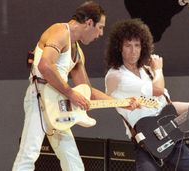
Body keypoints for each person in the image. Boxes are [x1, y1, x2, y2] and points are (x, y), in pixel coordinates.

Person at [12, 1, 138, 171]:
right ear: (89, 23)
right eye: (100, 27)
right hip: (40, 97)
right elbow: (45, 66)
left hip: (58, 105)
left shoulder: (78, 52)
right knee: (29, 154)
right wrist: (71, 93)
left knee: (73, 163)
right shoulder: (60, 31)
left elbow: (87, 91)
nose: (100, 33)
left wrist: (122, 102)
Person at [104, 19, 189, 171]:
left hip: (170, 137)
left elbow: (169, 106)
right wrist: (159, 69)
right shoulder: (116, 75)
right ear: (119, 48)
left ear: (143, 47)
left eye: (137, 45)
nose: (133, 50)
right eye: (128, 45)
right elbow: (158, 90)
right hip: (145, 143)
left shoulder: (147, 71)